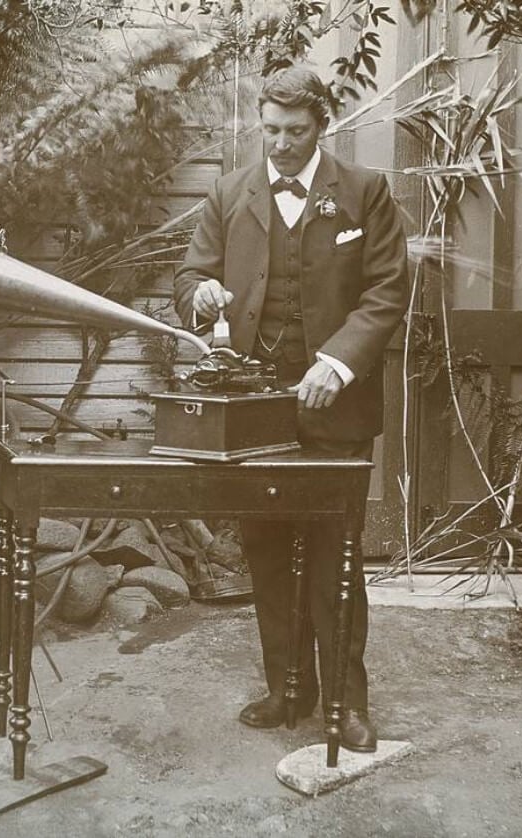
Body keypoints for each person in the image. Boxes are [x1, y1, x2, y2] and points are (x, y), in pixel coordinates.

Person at [173, 67, 409, 750]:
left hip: (337, 410)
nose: (279, 144)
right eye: (270, 130)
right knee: (267, 552)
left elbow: (389, 289)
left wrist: (337, 362)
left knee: (338, 558)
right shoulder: (228, 194)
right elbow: (188, 277)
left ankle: (346, 703)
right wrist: (202, 296)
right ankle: (287, 691)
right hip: (253, 413)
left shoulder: (364, 192)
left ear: (322, 125)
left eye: (295, 132)